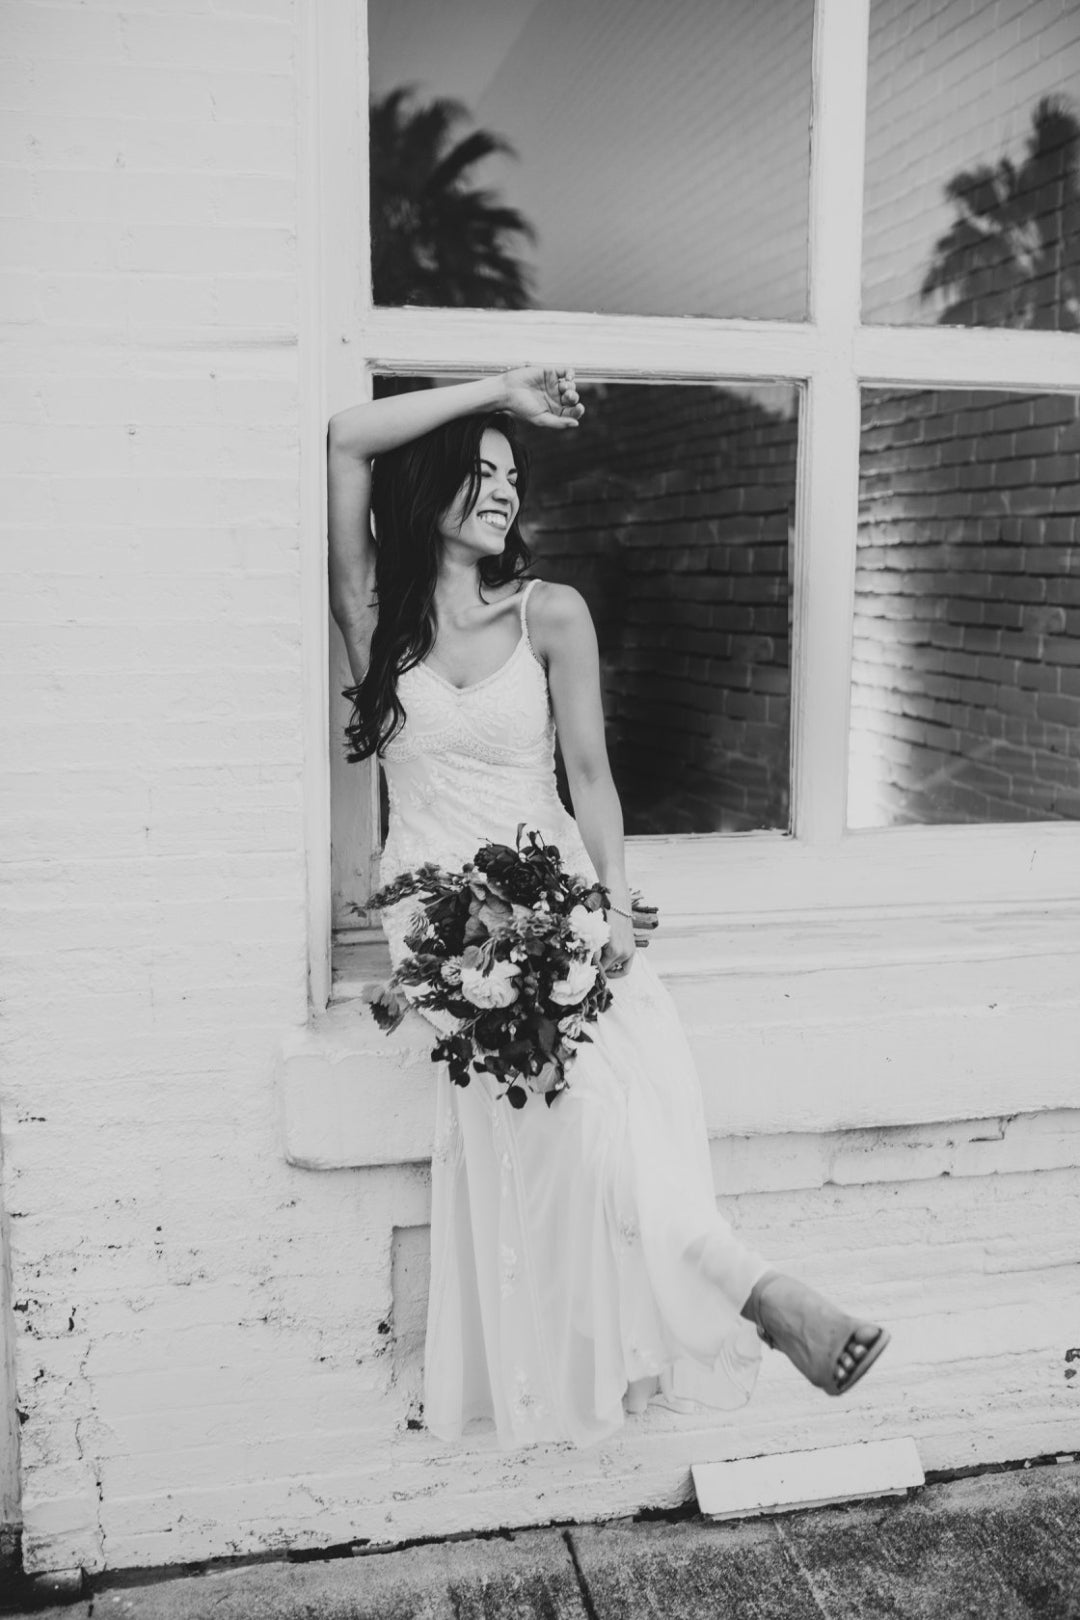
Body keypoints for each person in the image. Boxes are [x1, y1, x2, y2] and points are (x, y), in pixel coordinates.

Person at [327, 368, 889, 1447]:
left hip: (559, 912)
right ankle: (748, 1290)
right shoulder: (376, 629)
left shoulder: (550, 613)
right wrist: (498, 394)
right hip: (443, 942)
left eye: (511, 477)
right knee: (575, 1128)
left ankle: (756, 1290)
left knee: (606, 1121)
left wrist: (617, 911)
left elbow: (591, 779)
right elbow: (349, 440)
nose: (503, 492)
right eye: (480, 474)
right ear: (430, 489)